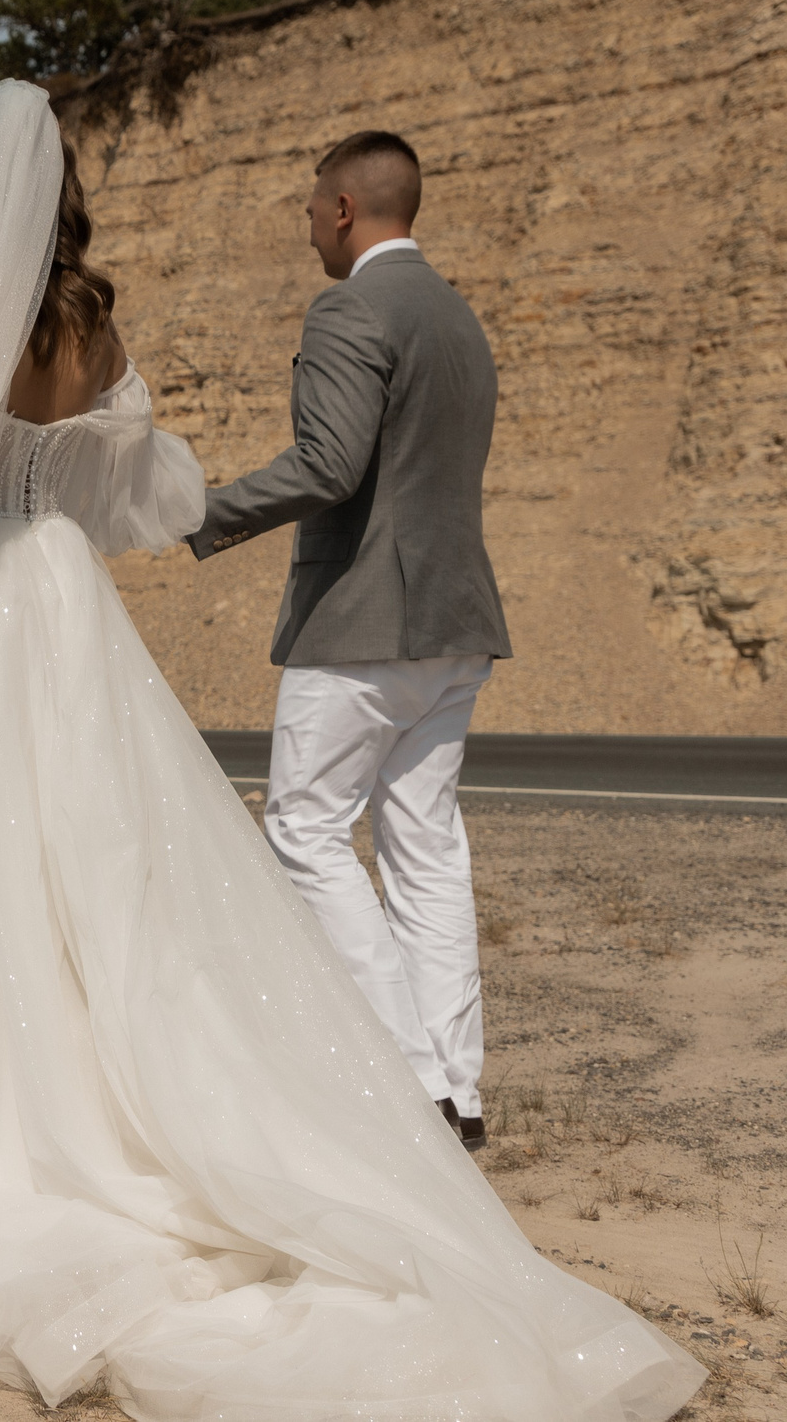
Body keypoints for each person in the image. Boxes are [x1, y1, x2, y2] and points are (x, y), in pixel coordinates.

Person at [0, 82, 697, 1422]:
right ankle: (319, 1096)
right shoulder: (91, 320)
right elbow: (130, 491)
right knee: (106, 874)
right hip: (69, 602)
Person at [186, 132, 510, 1151]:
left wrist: (203, 511)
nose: (306, 228)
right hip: (454, 621)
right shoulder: (459, 319)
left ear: (338, 207)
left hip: (364, 622)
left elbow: (328, 464)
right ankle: (460, 1085)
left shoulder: (349, 306)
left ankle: (410, 1081)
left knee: (306, 831)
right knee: (425, 845)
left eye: (306, 208)